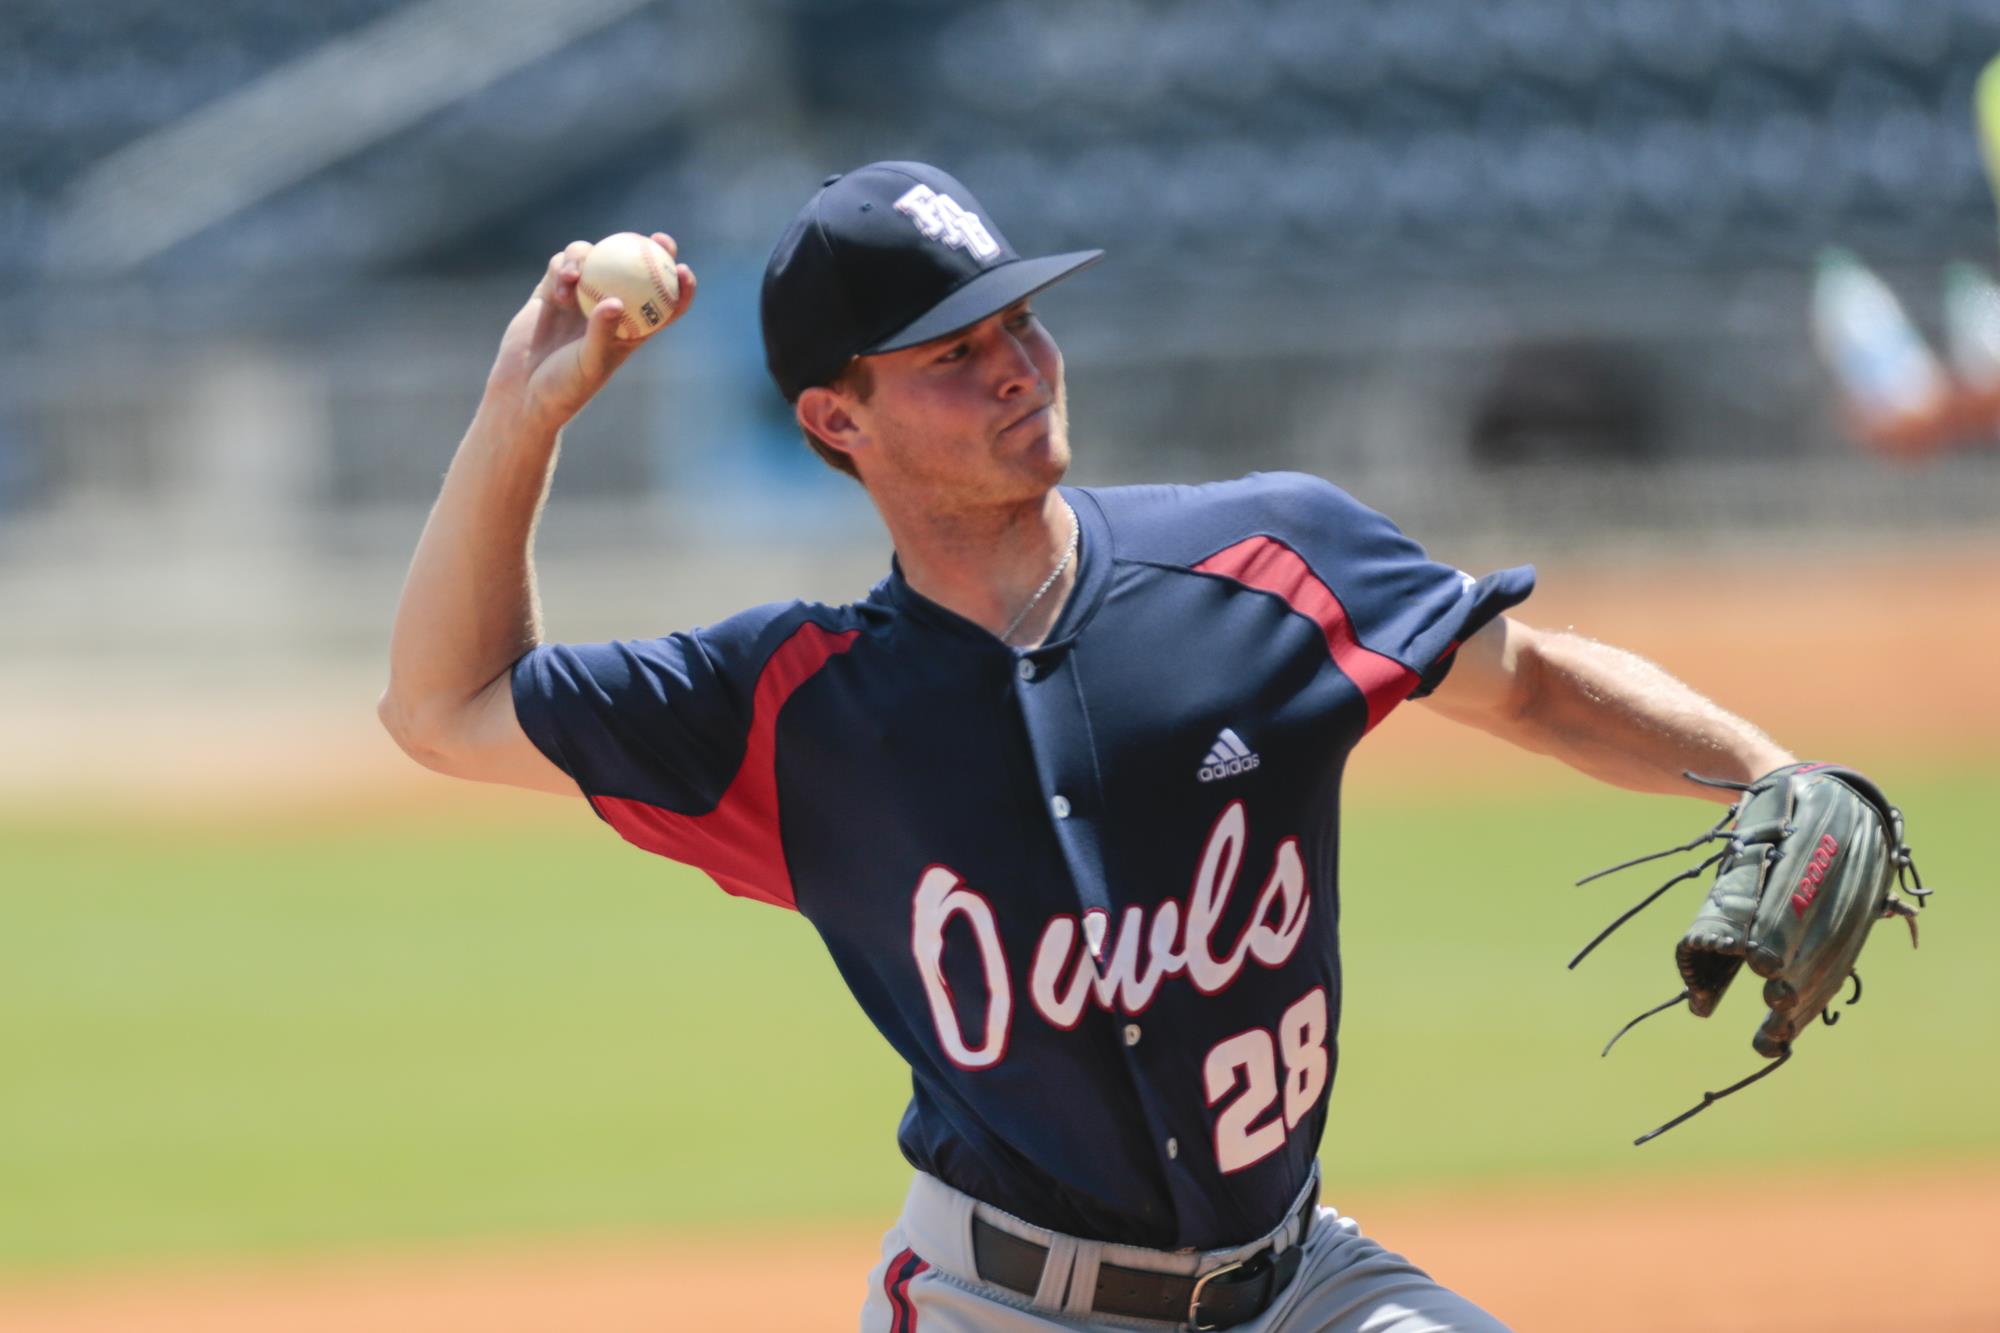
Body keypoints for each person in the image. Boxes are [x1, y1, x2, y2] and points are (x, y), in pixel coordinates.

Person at [379, 162, 1796, 1332]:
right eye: (954, 354)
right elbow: (443, 708)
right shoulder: (790, 708)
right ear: (835, 417)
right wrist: (523, 412)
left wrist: (1770, 774)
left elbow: (1532, 685)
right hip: (1000, 1306)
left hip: (1304, 1286)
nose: (1018, 370)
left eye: (1021, 325)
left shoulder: (1267, 560)